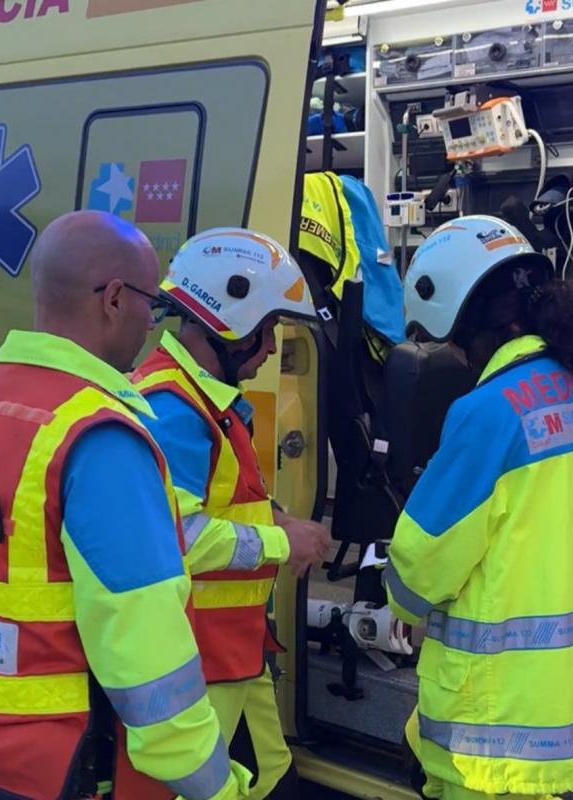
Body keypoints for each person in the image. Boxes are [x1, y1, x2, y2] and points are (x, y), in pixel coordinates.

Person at [0, 211, 250, 800]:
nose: (153, 326)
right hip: (59, 769)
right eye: (153, 305)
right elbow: (150, 664)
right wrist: (215, 788)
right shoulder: (99, 439)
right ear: (114, 298)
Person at [385, 216, 573, 800]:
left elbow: (421, 565)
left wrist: (395, 596)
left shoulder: (486, 413)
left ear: (468, 326)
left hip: (491, 733)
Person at [132, 228, 332, 799]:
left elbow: (226, 497)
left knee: (273, 784)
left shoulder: (206, 402)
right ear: (229, 322)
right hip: (200, 667)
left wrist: (282, 520)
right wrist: (280, 544)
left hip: (236, 654)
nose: (271, 348)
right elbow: (177, 536)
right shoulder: (173, 409)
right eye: (267, 331)